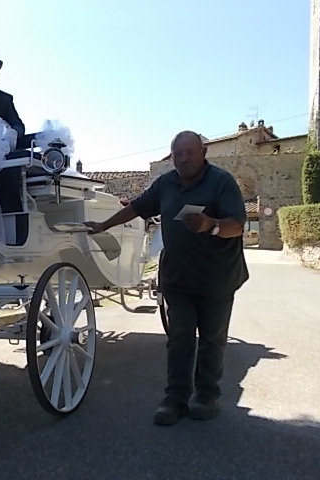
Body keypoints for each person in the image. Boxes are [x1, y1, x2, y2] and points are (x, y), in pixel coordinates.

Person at [84, 130, 249, 426]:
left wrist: (210, 225)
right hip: (178, 277)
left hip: (217, 278)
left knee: (212, 339)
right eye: (177, 154)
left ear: (204, 152)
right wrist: (103, 225)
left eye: (189, 152)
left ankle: (207, 395)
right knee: (180, 337)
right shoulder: (166, 183)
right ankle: (175, 398)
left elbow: (237, 225)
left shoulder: (221, 182)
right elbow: (136, 207)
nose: (183, 159)